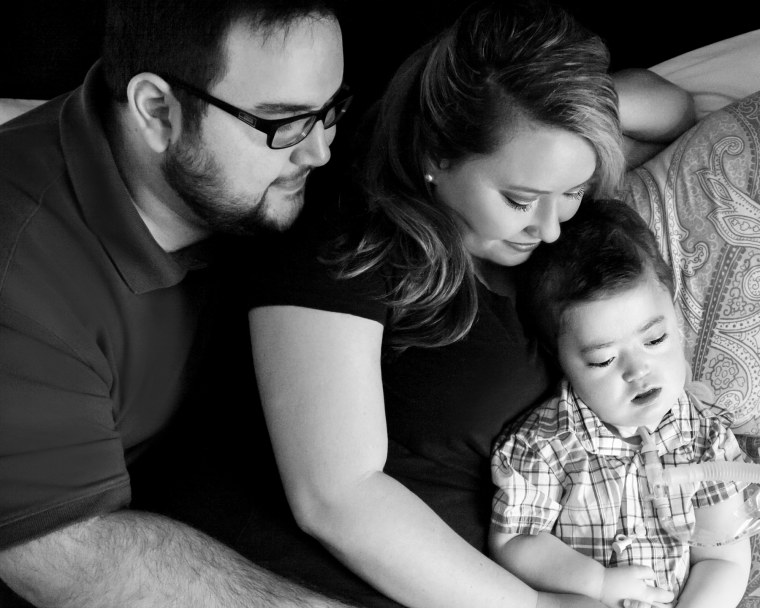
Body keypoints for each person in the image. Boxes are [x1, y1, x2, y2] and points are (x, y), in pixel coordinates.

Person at [247, 1, 693, 607]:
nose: (551, 226)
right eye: (518, 198)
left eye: (573, 191)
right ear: (436, 155)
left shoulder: (552, 242)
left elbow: (675, 108)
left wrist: (553, 103)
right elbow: (335, 497)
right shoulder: (349, 246)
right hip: (293, 582)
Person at [0, 0, 359, 606]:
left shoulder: (247, 177)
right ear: (157, 110)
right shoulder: (19, 277)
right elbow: (75, 558)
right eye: (284, 122)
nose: (318, 151)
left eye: (330, 110)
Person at [490, 199, 751, 608]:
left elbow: (722, 556)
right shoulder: (545, 445)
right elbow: (515, 540)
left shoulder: (706, 441)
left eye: (655, 339)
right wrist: (595, 583)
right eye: (602, 360)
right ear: (559, 359)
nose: (638, 370)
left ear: (675, 318)